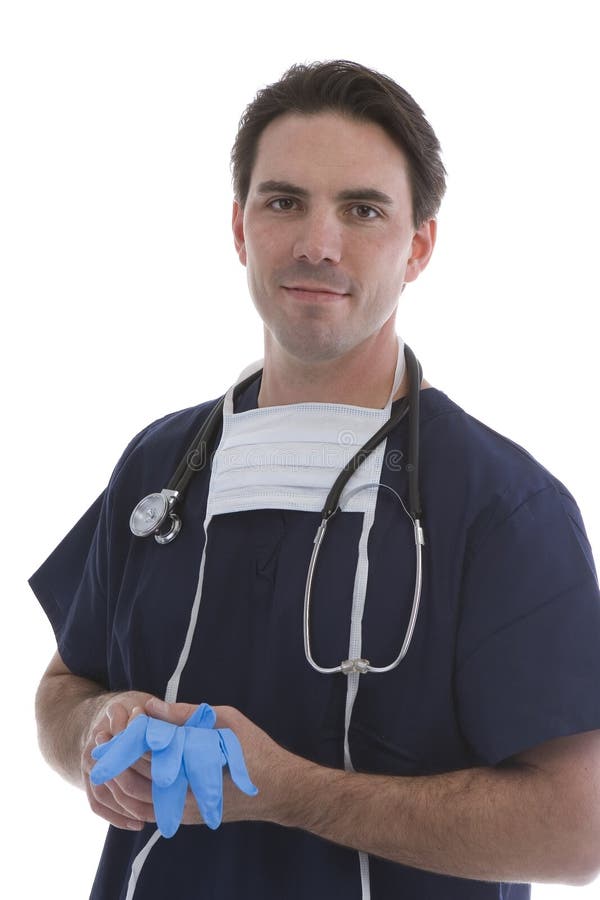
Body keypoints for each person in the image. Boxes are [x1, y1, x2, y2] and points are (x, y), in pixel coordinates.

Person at [30, 59, 600, 900]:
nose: (316, 244)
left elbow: (577, 829)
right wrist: (91, 733)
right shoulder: (160, 468)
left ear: (419, 246)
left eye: (362, 210)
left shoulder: (503, 506)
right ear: (239, 227)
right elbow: (61, 688)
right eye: (284, 201)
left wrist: (291, 793)